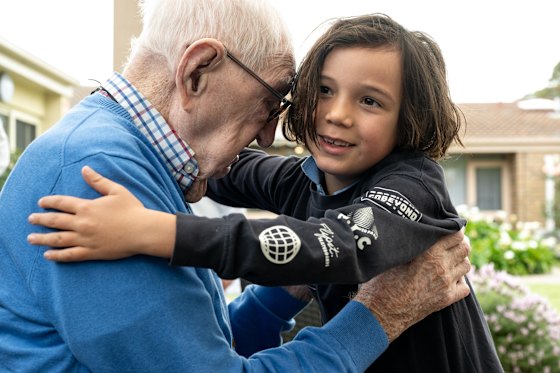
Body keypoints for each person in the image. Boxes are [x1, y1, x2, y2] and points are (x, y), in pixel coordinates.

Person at [0, 1, 471, 371]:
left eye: (369, 100)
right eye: (272, 100)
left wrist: (277, 292)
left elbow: (202, 350)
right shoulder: (96, 177)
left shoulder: (409, 185)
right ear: (197, 71)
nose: (270, 135)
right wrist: (378, 318)